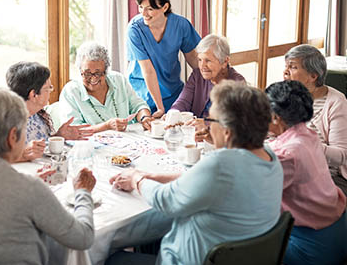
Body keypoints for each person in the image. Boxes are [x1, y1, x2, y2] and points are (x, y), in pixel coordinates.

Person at [108, 81, 283, 265]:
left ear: (227, 132)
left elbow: (165, 200)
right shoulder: (270, 158)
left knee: (112, 257)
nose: (207, 126)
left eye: (210, 120)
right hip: (245, 256)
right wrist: (152, 176)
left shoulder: (220, 165)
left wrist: (137, 178)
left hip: (185, 260)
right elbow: (205, 181)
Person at [0, 87, 97, 264]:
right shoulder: (28, 189)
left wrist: (30, 183)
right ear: (13, 137)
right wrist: (83, 192)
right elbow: (83, 238)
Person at [266, 80, 347, 265]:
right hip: (338, 233)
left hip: (313, 249)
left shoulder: (286, 153)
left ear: (276, 117)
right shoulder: (307, 135)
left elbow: (254, 196)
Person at [0, 61, 94, 162]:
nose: (51, 92)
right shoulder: (0, 118)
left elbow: (40, 148)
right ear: (34, 94)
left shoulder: (39, 116)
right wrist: (21, 155)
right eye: (48, 88)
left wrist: (58, 136)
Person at [127, 0, 201, 117]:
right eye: (141, 7)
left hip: (173, 92)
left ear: (165, 7)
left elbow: (192, 59)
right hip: (142, 94)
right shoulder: (135, 29)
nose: (144, 13)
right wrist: (160, 109)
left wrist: (214, 74)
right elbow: (148, 71)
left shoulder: (181, 25)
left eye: (149, 9)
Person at [283, 44, 347, 195]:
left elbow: (342, 156)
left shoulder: (337, 103)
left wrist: (306, 143)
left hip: (328, 174)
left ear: (313, 76)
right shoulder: (286, 95)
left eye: (292, 67)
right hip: (291, 165)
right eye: (286, 66)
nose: (285, 72)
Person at [60, 42, 153, 132]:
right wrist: (106, 126)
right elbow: (72, 130)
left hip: (126, 141)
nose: (93, 79)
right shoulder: (70, 92)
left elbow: (138, 105)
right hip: (91, 146)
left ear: (106, 71)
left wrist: (145, 117)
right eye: (87, 73)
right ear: (80, 70)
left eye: (98, 73)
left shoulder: (119, 80)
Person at [170, 34, 245, 118]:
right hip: (194, 129)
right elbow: (183, 101)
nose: (202, 66)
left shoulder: (237, 83)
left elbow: (232, 120)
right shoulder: (197, 75)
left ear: (225, 61)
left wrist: (205, 124)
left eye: (208, 60)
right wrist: (173, 113)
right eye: (200, 60)